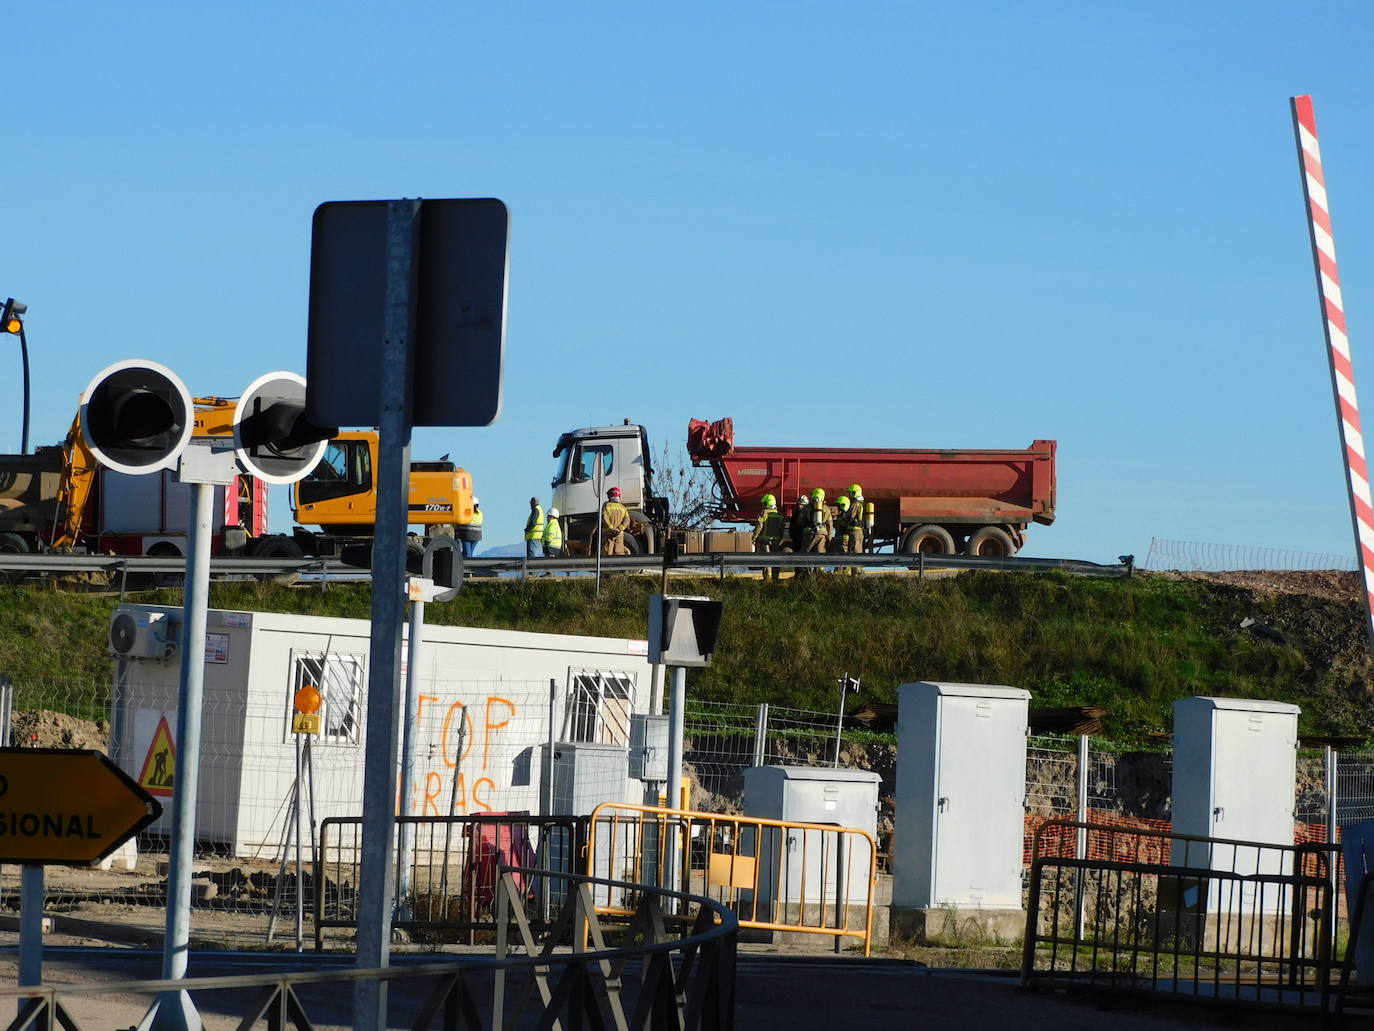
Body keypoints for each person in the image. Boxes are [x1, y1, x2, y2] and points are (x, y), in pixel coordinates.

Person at [752, 493, 784, 580]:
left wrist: (754, 537)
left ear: (767, 503)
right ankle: (775, 578)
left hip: (764, 542)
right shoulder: (780, 515)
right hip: (776, 542)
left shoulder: (763, 514)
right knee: (776, 560)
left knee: (766, 560)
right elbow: (782, 530)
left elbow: (759, 526)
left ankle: (767, 579)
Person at [600, 487, 633, 555]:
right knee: (619, 552)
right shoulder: (622, 507)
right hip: (619, 534)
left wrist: (612, 528)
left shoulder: (606, 506)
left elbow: (604, 518)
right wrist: (619, 529)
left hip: (608, 534)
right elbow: (627, 519)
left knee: (607, 553)